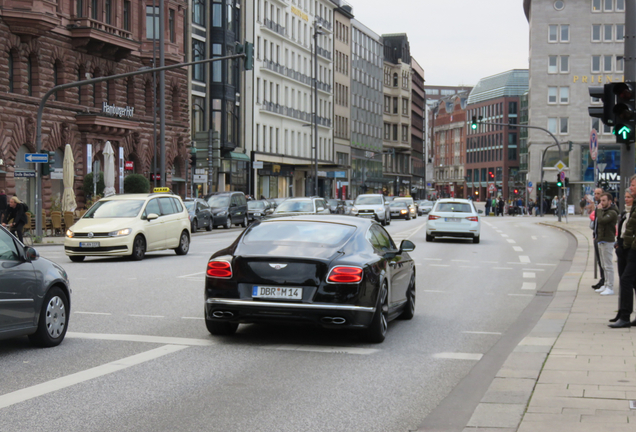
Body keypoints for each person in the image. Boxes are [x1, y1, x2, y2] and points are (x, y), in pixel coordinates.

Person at [610, 175, 636, 328]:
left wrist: (631, 245)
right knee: (633, 281)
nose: (631, 188)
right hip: (629, 248)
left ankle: (625, 316)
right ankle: (624, 314)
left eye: (633, 185)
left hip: (634, 250)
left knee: (626, 280)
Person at [594, 193, 618, 296]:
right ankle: (605, 284)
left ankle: (610, 286)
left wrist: (599, 210)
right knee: (603, 264)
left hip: (608, 240)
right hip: (601, 239)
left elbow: (602, 221)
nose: (601, 203)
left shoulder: (612, 212)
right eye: (600, 201)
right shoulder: (603, 211)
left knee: (608, 265)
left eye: (604, 201)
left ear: (610, 201)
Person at [591, 188, 606, 290]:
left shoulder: (604, 208)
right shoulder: (597, 207)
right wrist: (594, 234)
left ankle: (604, 280)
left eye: (598, 194)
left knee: (604, 261)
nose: (596, 195)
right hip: (596, 236)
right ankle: (602, 279)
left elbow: (602, 221)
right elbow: (596, 222)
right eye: (595, 193)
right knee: (600, 261)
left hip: (603, 238)